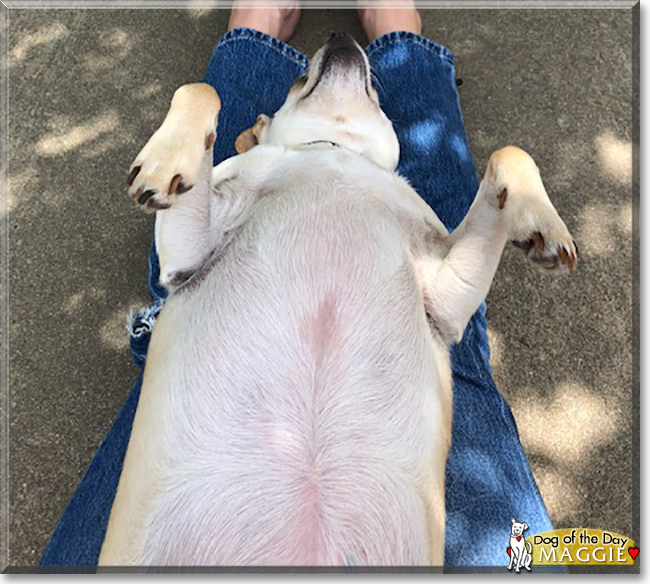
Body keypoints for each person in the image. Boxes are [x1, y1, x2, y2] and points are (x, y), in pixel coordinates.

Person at [39, 2, 562, 570]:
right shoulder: (265, 164)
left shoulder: (276, 168)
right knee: (467, 374)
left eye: (375, 100)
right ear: (262, 130)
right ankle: (399, 41)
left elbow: (182, 263)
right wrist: (193, 111)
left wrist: (515, 175)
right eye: (300, 86)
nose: (340, 65)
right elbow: (450, 307)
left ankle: (256, 31)